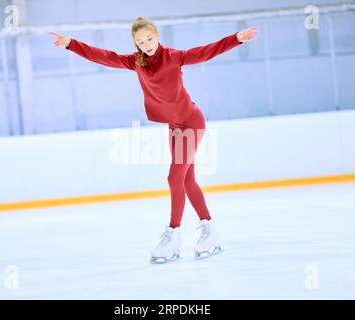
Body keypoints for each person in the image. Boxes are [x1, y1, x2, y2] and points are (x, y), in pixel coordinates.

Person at [51, 17, 258, 263]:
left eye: (149, 38)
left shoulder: (173, 56)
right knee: (187, 180)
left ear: (157, 35)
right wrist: (71, 44)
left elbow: (204, 52)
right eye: (141, 41)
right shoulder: (135, 62)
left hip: (192, 122)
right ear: (136, 44)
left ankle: (173, 232)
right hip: (175, 126)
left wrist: (235, 39)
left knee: (174, 177)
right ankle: (209, 230)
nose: (146, 44)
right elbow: (104, 56)